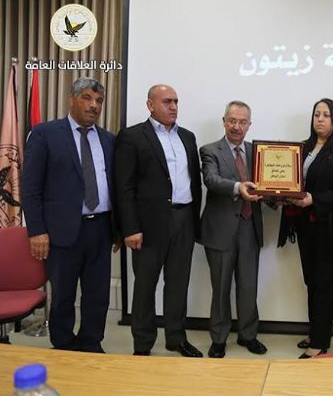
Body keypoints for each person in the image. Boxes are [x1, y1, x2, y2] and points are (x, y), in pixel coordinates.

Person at [22, 77, 118, 353]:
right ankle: (63, 344)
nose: (94, 105)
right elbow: (30, 187)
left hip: (101, 228)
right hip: (61, 231)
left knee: (97, 294)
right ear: (72, 99)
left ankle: (91, 342)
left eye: (99, 100)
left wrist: (118, 229)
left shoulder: (108, 140)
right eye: (87, 98)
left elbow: (116, 186)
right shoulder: (46, 134)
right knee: (63, 294)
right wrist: (36, 231)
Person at [113, 84, 203, 357]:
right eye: (167, 101)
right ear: (150, 105)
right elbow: (124, 187)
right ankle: (143, 344)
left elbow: (193, 181)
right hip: (148, 226)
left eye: (176, 101)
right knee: (145, 287)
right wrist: (130, 228)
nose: (173, 106)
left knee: (178, 284)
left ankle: (176, 338)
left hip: (184, 219)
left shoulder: (187, 137)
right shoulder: (132, 137)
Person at [277, 98, 333, 358]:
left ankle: (320, 343)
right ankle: (316, 332)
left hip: (330, 225)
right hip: (304, 224)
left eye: (326, 115)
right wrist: (280, 193)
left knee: (325, 282)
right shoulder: (302, 148)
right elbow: (290, 181)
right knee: (311, 280)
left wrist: (313, 199)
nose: (320, 119)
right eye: (316, 114)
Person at [200, 100, 267, 358]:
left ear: (249, 124)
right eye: (232, 121)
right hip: (220, 230)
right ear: (224, 121)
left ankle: (248, 335)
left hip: (250, 228)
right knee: (221, 288)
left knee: (249, 286)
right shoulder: (210, 150)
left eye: (242, 122)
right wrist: (239, 188)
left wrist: (280, 194)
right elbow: (212, 180)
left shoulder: (258, 152)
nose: (237, 126)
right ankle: (218, 338)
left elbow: (267, 184)